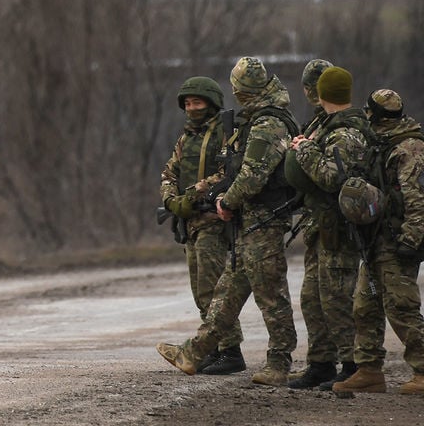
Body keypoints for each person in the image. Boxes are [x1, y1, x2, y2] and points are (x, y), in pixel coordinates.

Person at [157, 56, 299, 386]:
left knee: (271, 295)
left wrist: (224, 199)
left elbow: (252, 174)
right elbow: (173, 171)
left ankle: (279, 362)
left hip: (264, 219)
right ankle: (194, 352)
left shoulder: (266, 123)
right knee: (225, 293)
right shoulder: (254, 120)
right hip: (248, 221)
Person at [333, 89, 424, 394]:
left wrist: (410, 241)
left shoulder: (409, 148)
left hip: (398, 242)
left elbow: (418, 201)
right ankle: (369, 370)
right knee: (365, 306)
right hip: (376, 241)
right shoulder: (380, 144)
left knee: (402, 307)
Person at [286, 65, 369, 390]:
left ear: (322, 94)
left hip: (339, 228)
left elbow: (332, 177)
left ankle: (352, 366)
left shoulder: (345, 132)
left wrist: (303, 149)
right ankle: (320, 363)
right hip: (320, 224)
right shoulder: (325, 125)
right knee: (312, 298)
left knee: (337, 298)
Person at [159, 76, 245, 374]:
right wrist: (173, 201)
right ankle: (216, 348)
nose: (192, 108)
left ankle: (231, 351)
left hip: (212, 219)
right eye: (188, 104)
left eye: (197, 103)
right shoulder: (187, 138)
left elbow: (227, 171)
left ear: (211, 103)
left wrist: (194, 196)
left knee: (212, 287)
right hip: (190, 222)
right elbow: (169, 172)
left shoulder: (225, 133)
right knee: (200, 290)